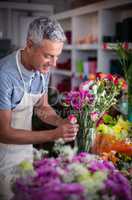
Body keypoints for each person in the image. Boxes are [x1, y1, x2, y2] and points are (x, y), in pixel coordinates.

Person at [0, 17, 79, 200]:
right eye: (48, 55)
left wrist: (61, 122)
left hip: (24, 152)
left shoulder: (42, 68)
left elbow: (42, 107)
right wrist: (54, 134)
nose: (54, 63)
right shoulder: (5, 76)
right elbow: (3, 133)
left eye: (57, 55)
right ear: (29, 45)